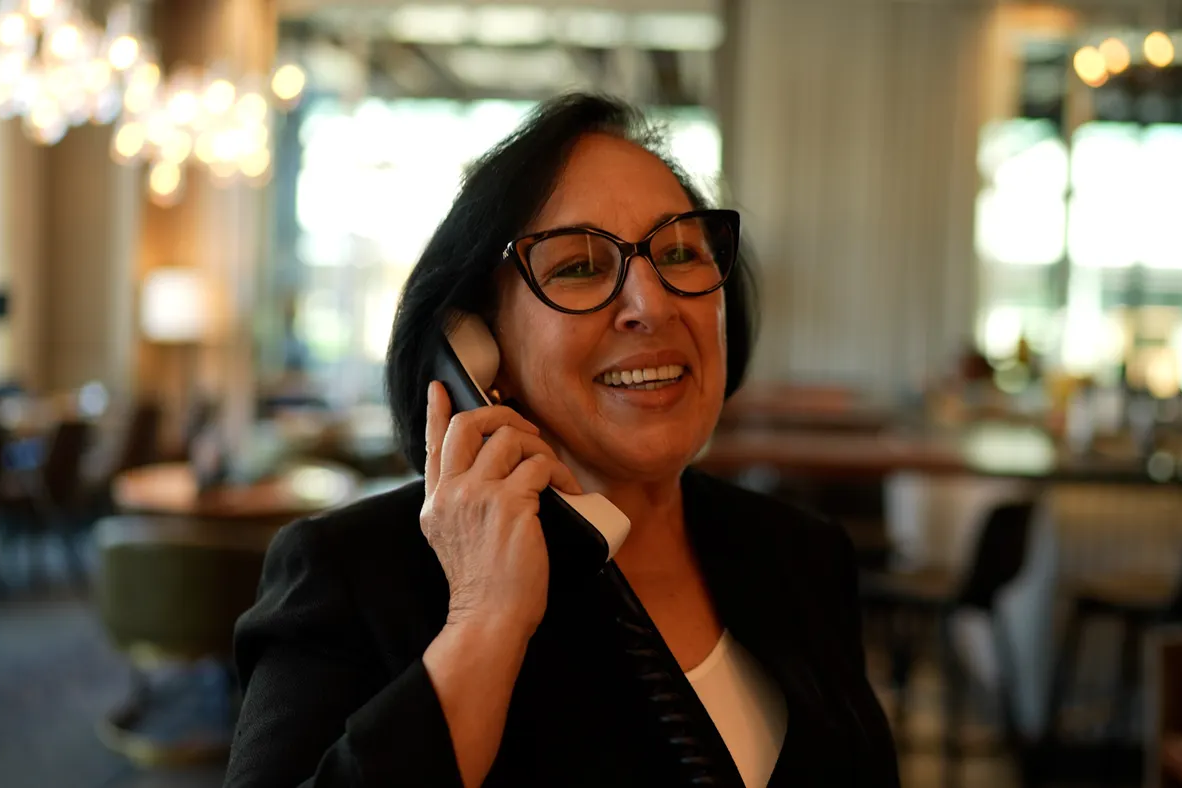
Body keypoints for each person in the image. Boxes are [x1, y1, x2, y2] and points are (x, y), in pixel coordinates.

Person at [225, 93, 900, 787]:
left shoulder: (802, 553)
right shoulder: (355, 572)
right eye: (578, 267)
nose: (652, 304)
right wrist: (483, 622)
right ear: (479, 349)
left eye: (678, 252)